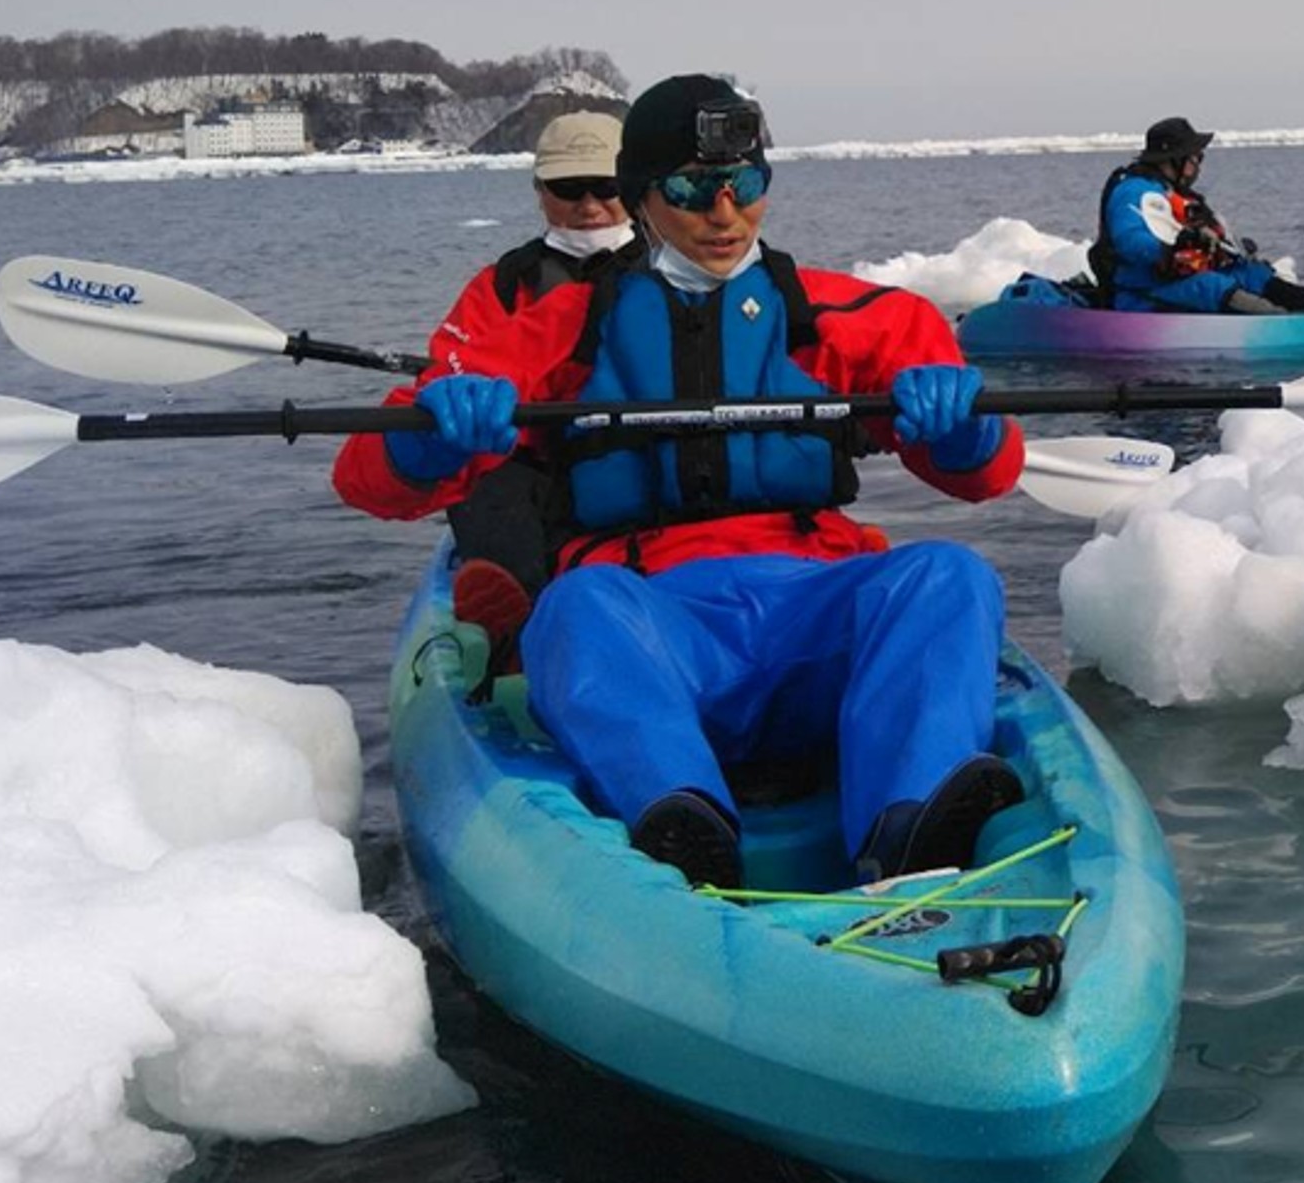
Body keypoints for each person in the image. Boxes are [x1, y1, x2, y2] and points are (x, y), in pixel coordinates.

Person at [332, 74, 1030, 893]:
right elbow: (366, 480)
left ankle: (911, 828)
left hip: (810, 607)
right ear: (644, 197)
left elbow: (989, 476)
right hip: (650, 619)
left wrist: (964, 427)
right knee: (574, 606)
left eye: (746, 186)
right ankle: (681, 824)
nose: (724, 214)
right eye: (694, 190)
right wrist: (435, 436)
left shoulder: (859, 319)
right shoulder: (555, 332)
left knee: (947, 573)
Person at [433, 111, 646, 638]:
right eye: (569, 188)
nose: (590, 206)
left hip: (644, 449)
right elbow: (450, 367)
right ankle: (516, 622)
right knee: (482, 473)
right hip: (540, 465)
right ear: (540, 191)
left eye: (606, 187)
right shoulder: (503, 285)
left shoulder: (676, 269)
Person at [1089, 118, 1304, 314]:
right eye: (1195, 157)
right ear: (1175, 160)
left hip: (1174, 278)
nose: (1198, 165)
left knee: (1249, 273)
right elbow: (1131, 241)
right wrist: (1175, 245)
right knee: (1210, 285)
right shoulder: (1132, 191)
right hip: (1141, 291)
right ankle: (1289, 326)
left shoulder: (1174, 192)